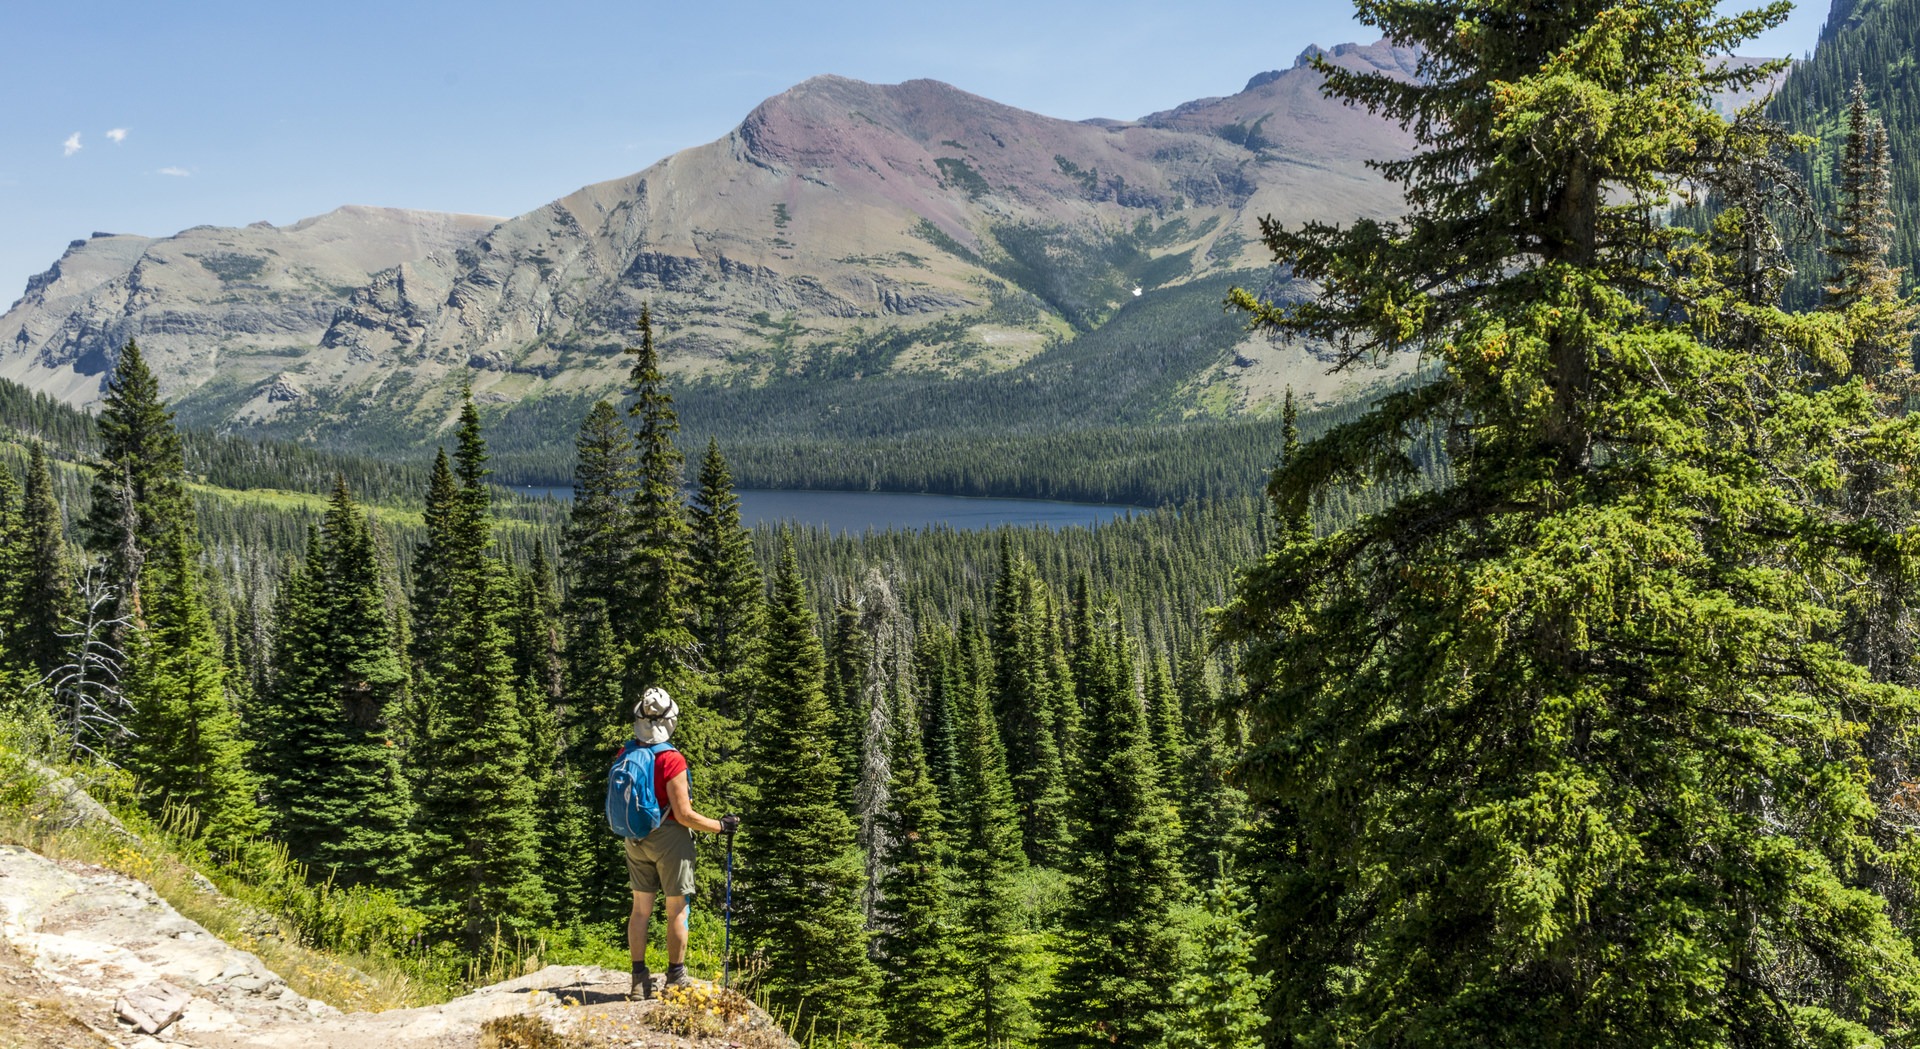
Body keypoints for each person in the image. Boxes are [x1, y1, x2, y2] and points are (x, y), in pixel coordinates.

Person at [620, 686, 739, 1000]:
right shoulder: (671, 759)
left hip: (635, 837)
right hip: (669, 839)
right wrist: (721, 826)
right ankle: (675, 977)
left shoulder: (627, 753)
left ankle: (638, 981)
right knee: (676, 909)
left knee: (640, 910)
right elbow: (684, 815)